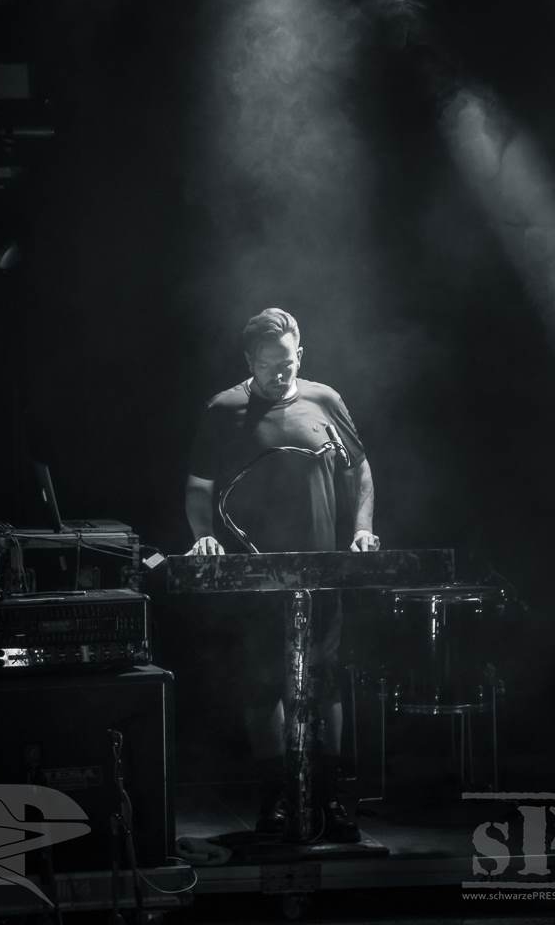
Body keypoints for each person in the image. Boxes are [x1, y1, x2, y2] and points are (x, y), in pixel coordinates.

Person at [185, 308, 379, 842]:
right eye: (269, 364)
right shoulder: (224, 409)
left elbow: (359, 468)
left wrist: (362, 529)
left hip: (322, 569)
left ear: (301, 355)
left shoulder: (325, 401)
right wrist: (203, 535)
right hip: (255, 573)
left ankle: (331, 795)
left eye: (288, 362)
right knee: (262, 683)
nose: (280, 373)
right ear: (250, 361)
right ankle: (274, 795)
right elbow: (199, 485)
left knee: (326, 678)